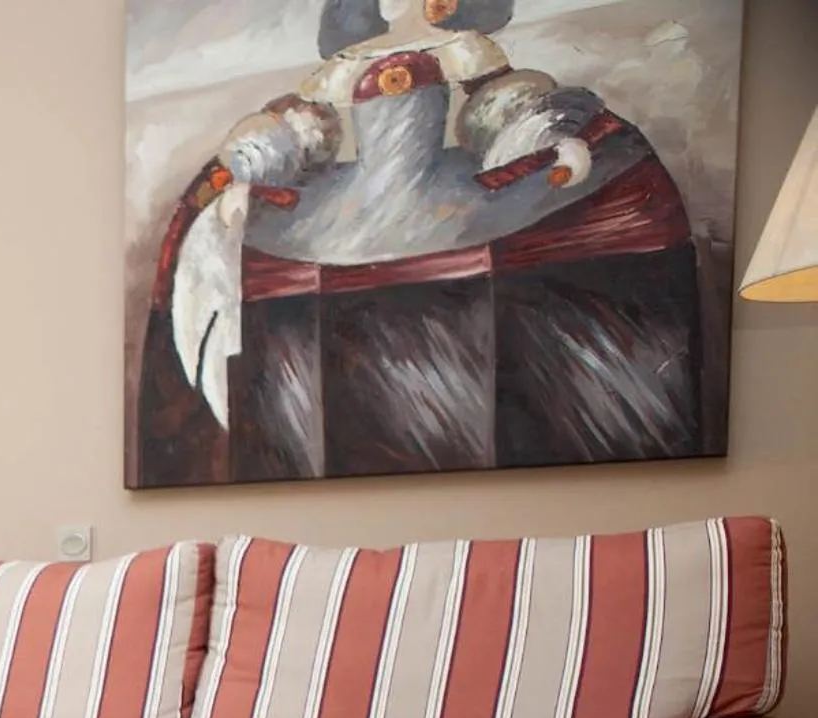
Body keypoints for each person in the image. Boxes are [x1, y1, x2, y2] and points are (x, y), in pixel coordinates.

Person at [134, 0, 711, 486]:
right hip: (351, 206)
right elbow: (303, 127)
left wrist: (545, 137)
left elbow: (499, 107)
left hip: (444, 196)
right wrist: (249, 169)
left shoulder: (464, 47)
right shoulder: (344, 64)